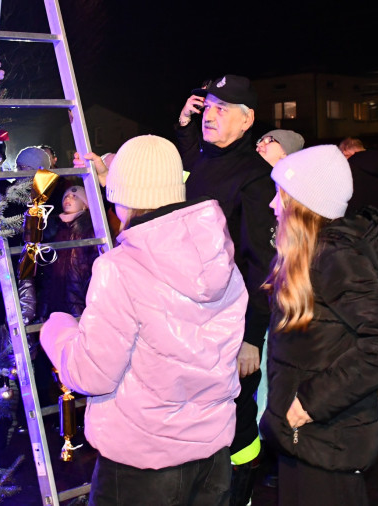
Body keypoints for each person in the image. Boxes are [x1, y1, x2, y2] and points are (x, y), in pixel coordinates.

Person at [40, 135, 247, 505]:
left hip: (141, 463)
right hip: (212, 455)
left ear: (121, 193)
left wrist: (58, 330)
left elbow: (92, 375)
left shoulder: (120, 269)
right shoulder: (220, 257)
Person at [259, 145, 378, 505]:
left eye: (279, 195)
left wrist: (311, 403)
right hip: (305, 439)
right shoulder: (309, 257)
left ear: (301, 206)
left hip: (327, 440)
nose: (271, 205)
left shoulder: (334, 258)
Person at [176, 74, 277, 503]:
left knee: (237, 416)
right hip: (190, 317)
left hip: (232, 322)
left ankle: (241, 496)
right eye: (208, 105)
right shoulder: (201, 158)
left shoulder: (256, 178)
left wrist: (252, 337)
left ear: (246, 118)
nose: (209, 115)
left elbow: (262, 265)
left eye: (222, 108)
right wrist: (183, 126)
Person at [44, 182, 98, 318]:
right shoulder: (57, 229)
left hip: (80, 299)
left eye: (74, 196)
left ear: (85, 205)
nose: (68, 199)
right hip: (57, 298)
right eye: (66, 196)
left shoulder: (90, 230)